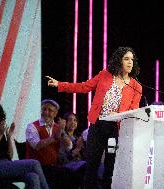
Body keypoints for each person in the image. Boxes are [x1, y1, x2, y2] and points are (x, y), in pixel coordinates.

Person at [46, 46, 142, 189]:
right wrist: (60, 84)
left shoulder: (136, 86)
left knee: (110, 167)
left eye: (132, 60)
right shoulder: (105, 75)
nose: (130, 62)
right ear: (118, 60)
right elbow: (83, 87)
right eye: (126, 59)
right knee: (91, 165)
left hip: (115, 130)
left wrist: (119, 115)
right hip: (97, 126)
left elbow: (133, 111)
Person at [0, 101, 49, 189]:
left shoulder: (0, 129)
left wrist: (9, 136)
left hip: (7, 164)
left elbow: (10, 155)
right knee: (34, 163)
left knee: (33, 177)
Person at [25, 99, 73, 189]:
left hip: (52, 167)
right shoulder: (32, 126)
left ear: (55, 113)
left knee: (71, 175)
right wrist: (54, 137)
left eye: (50, 110)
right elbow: (37, 145)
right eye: (44, 109)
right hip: (36, 167)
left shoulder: (58, 127)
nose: (46, 112)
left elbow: (69, 146)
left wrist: (62, 132)